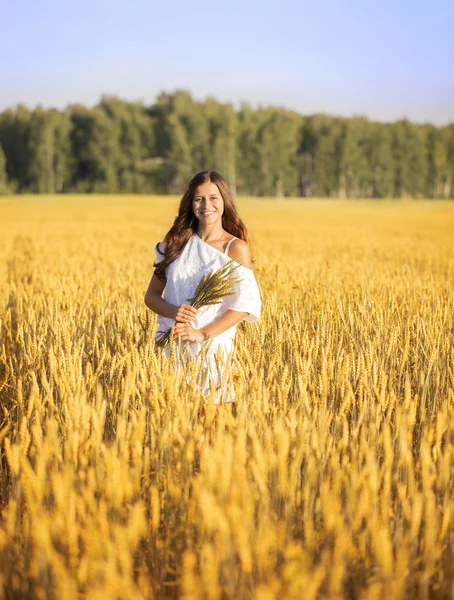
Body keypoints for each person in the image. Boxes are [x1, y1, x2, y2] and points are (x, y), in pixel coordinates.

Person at [144, 170, 261, 410]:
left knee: (209, 430)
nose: (206, 205)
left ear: (224, 202)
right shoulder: (173, 245)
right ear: (191, 203)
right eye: (199, 199)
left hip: (213, 351)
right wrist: (174, 311)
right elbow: (151, 296)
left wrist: (203, 334)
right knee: (171, 427)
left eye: (213, 198)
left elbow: (245, 304)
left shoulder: (235, 248)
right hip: (171, 347)